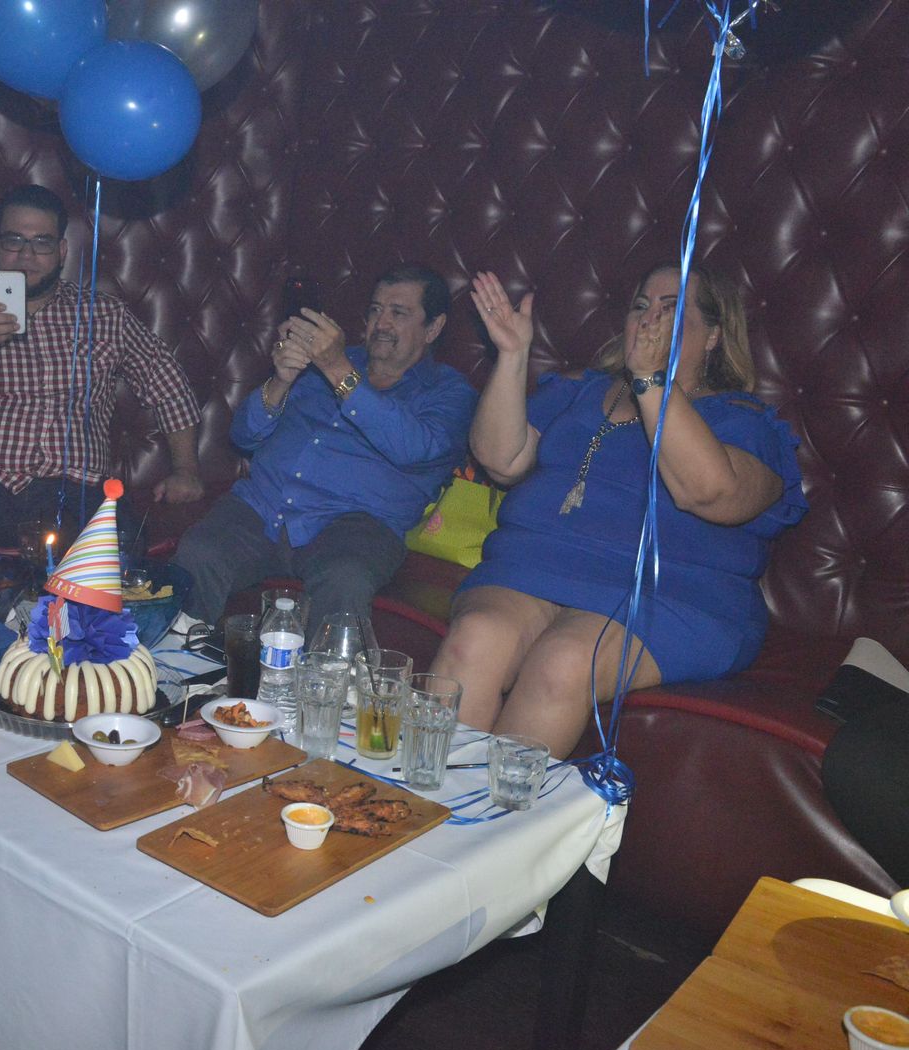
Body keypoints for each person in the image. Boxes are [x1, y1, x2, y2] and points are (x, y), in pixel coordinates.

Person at [430, 264, 808, 758]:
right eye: (640, 306)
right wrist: (512, 356)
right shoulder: (582, 392)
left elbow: (707, 493)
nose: (649, 320)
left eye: (670, 310)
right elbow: (501, 459)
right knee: (474, 639)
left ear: (714, 335)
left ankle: (494, 808)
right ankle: (421, 803)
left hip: (669, 595)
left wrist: (651, 380)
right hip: (538, 568)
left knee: (564, 661)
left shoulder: (742, 420)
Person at [0, 184, 204, 608]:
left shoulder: (103, 315)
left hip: (73, 485)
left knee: (118, 536)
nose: (26, 256)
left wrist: (185, 469)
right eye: (14, 241)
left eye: (41, 243)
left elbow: (169, 385)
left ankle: (86, 648)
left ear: (61, 252)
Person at [172, 264, 477, 634]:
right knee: (199, 552)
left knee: (344, 578)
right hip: (263, 506)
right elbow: (244, 435)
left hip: (356, 525)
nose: (381, 323)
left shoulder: (449, 392)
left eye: (398, 313)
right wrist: (280, 381)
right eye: (376, 310)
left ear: (433, 327)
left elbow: (414, 449)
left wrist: (338, 370)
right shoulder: (324, 364)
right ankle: (178, 663)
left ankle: (329, 673)